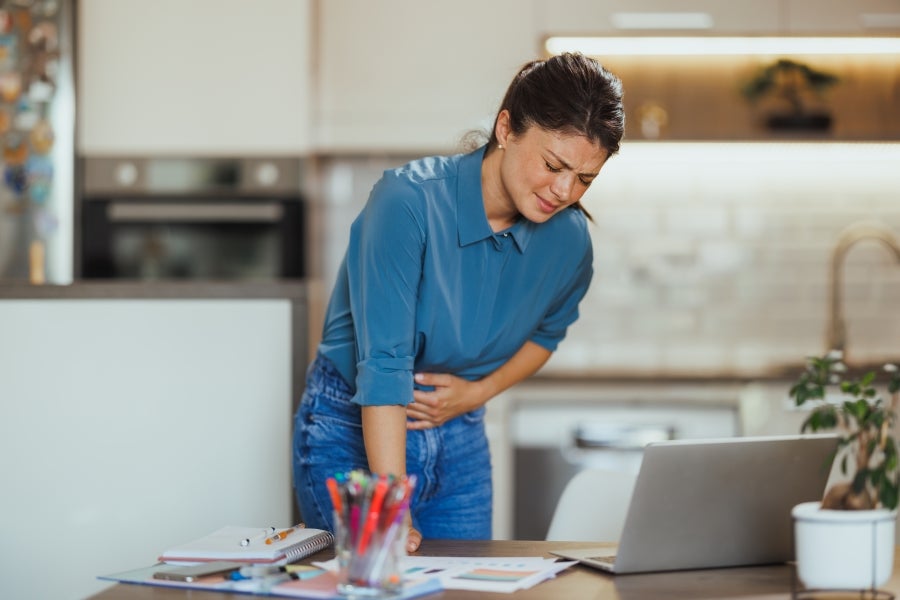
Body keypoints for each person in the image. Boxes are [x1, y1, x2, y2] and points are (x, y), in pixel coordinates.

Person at [292, 52, 625, 552]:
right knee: (376, 578)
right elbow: (384, 367)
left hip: (459, 435)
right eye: (553, 165)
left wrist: (478, 393)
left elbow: (546, 334)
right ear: (506, 128)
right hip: (353, 427)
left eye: (584, 179)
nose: (564, 191)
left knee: (465, 585)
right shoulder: (406, 203)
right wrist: (392, 506)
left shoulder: (569, 241)